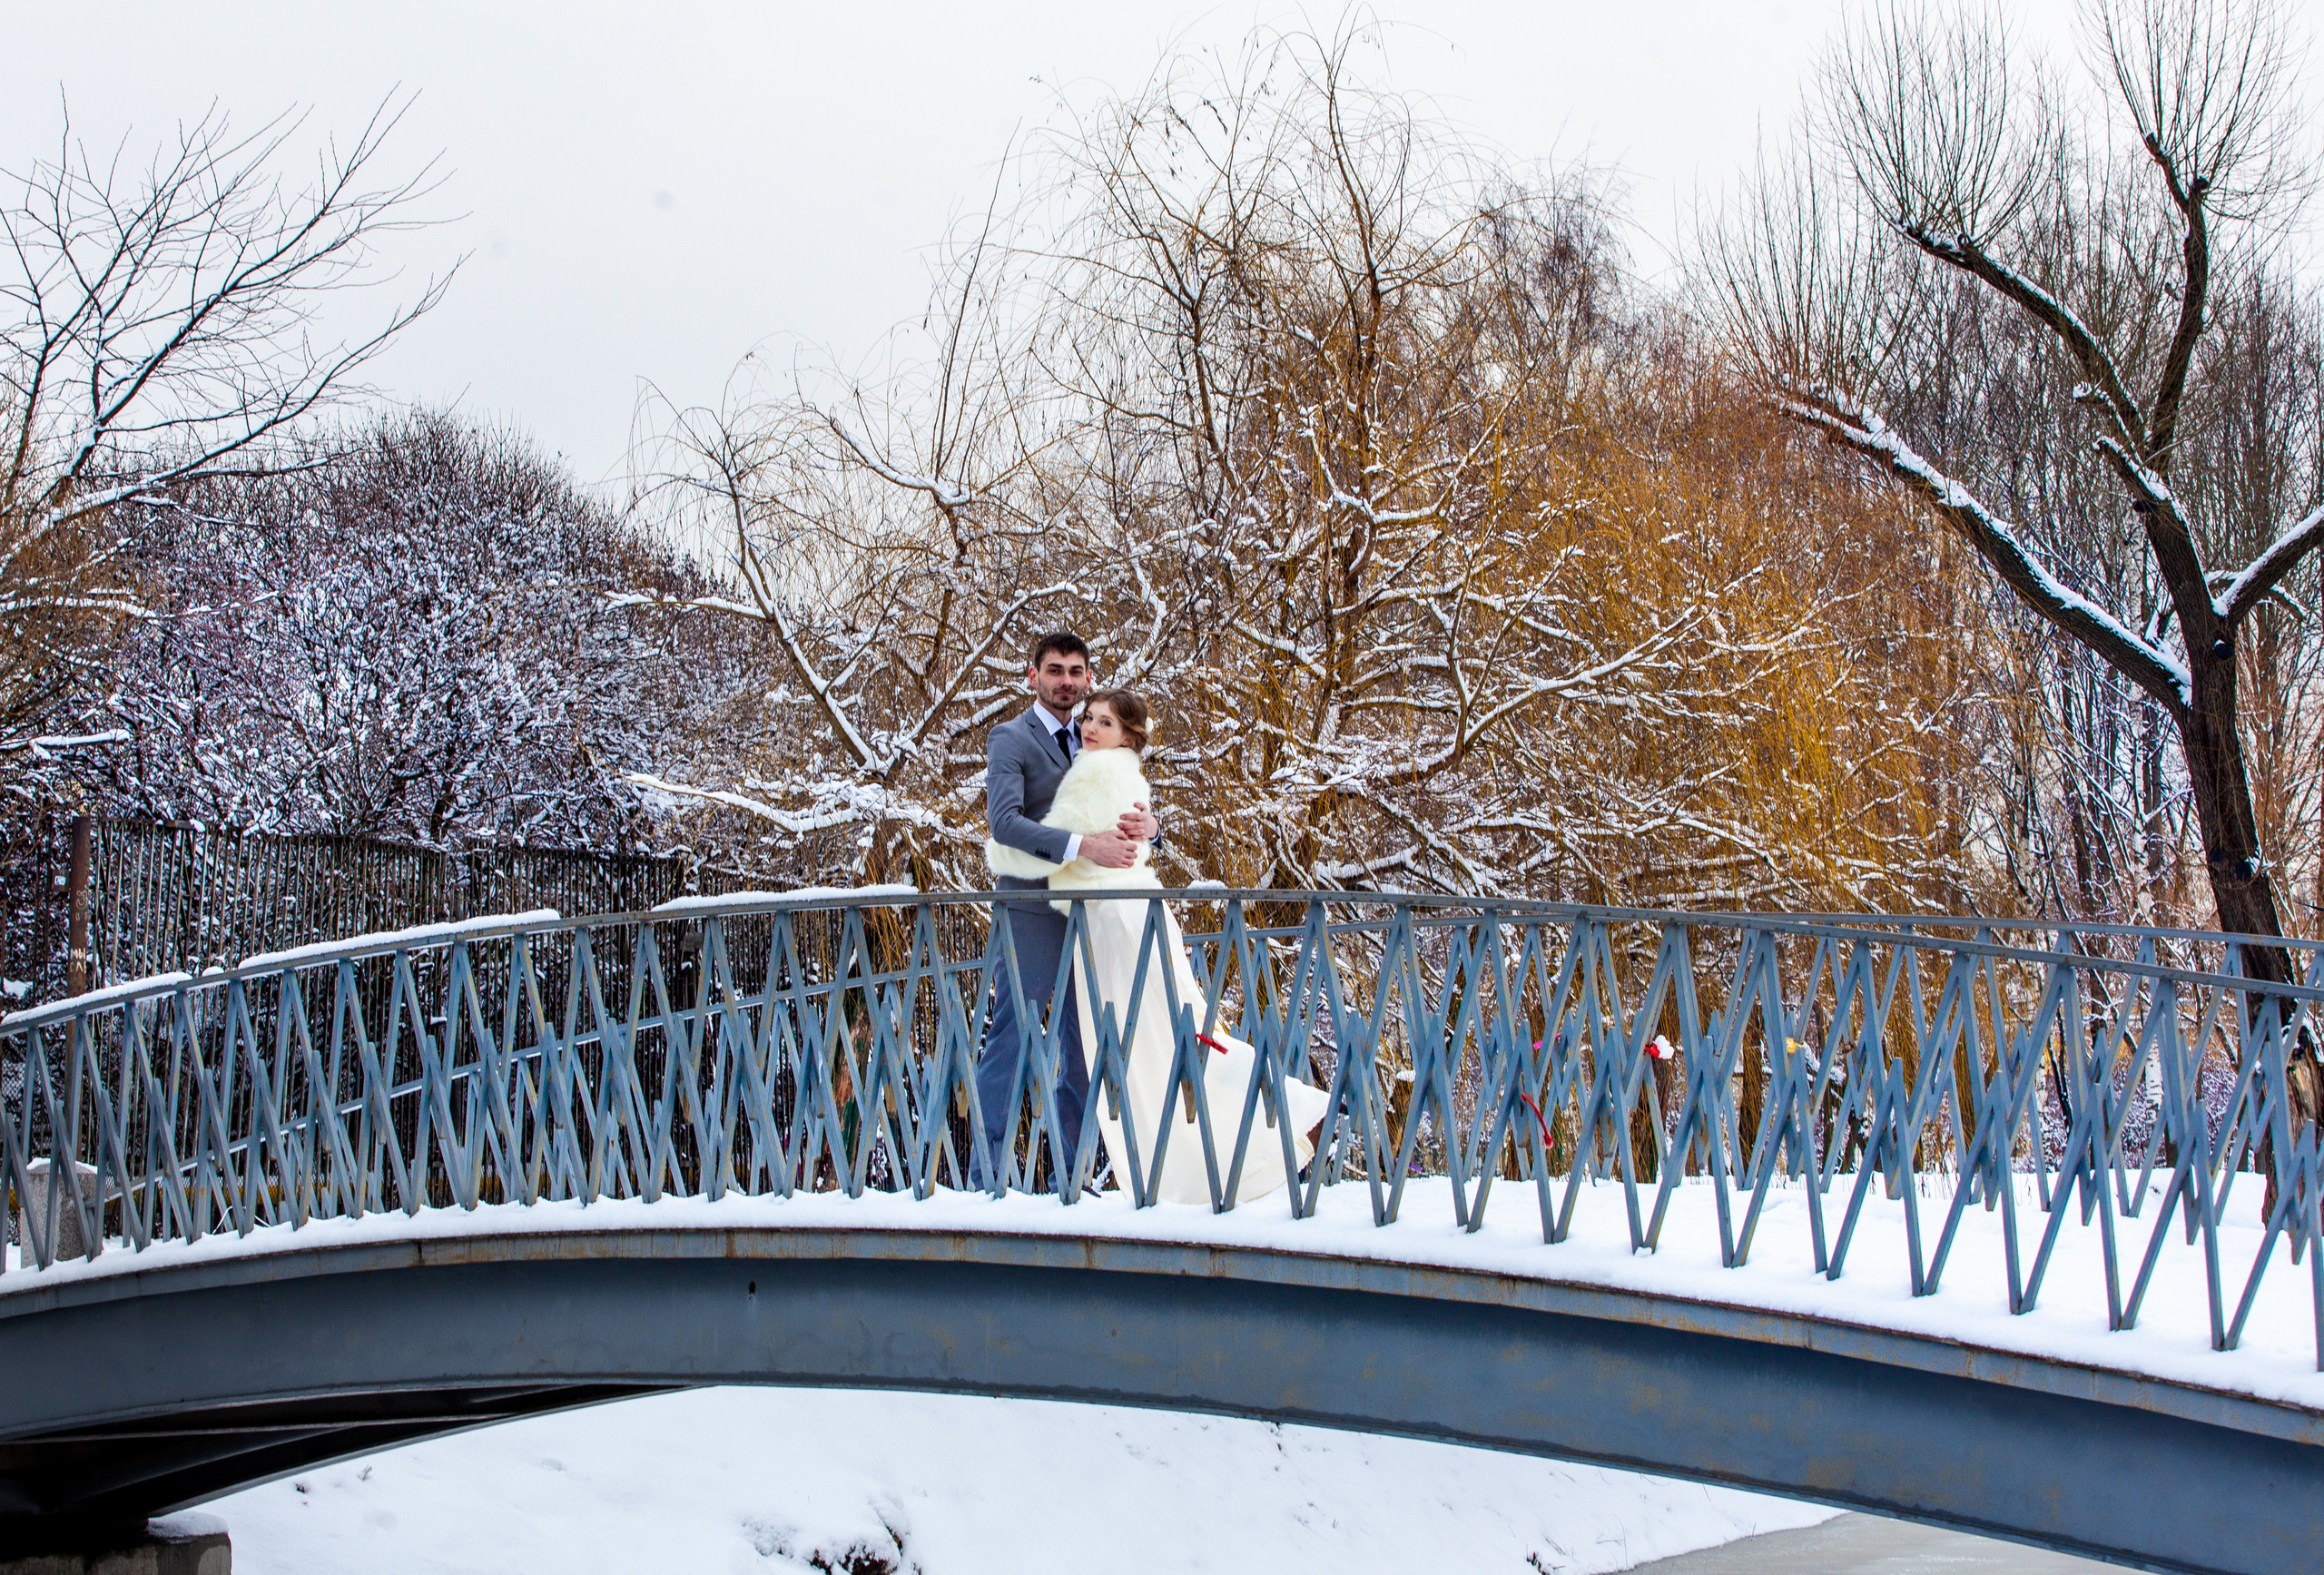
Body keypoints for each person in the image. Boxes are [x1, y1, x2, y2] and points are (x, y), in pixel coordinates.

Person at [987, 688, 1329, 1205]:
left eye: (1104, 723)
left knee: (1154, 1045)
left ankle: (1291, 1109)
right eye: (1090, 718)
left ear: (1128, 737)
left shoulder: (1096, 774)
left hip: (1115, 927)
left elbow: (1035, 850)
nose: (1090, 728)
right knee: (1175, 1035)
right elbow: (1126, 831)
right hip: (1133, 916)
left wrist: (1003, 849)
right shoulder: (1122, 774)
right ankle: (1283, 1112)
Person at [977, 633, 1156, 1186]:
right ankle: (988, 1176)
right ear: (1033, 675)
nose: (1066, 681)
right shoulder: (1010, 738)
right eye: (1055, 670)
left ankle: (1075, 1177)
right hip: (1030, 907)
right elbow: (1004, 822)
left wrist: (1153, 827)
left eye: (1076, 671)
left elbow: (1127, 802)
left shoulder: (1097, 736)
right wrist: (1083, 845)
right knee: (1014, 1033)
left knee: (1083, 1040)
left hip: (1092, 910)